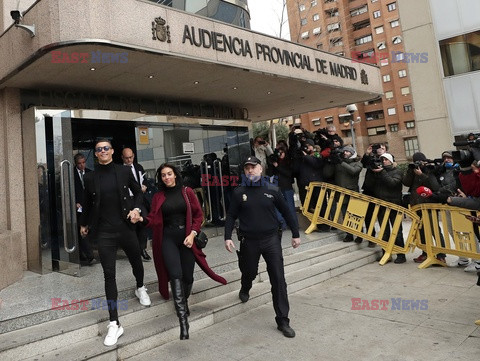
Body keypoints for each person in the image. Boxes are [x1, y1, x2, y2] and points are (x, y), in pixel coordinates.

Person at [134, 163, 227, 340]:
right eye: (163, 175)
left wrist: (192, 234)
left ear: (175, 175)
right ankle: (183, 320)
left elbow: (199, 215)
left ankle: (183, 302)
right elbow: (153, 219)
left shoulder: (187, 192)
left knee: (188, 277)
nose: (167, 177)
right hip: (167, 239)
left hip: (187, 238)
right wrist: (141, 219)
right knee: (175, 274)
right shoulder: (158, 196)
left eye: (169, 174)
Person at [80, 139, 151, 347]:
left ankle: (140, 286)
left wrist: (136, 209)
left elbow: (138, 192)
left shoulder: (122, 171)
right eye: (98, 149)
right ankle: (114, 323)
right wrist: (84, 223)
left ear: (112, 151)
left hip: (125, 227)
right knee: (108, 274)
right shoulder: (90, 177)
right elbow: (86, 202)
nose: (102, 151)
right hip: (104, 232)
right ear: (96, 154)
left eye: (106, 148)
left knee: (137, 262)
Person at [224, 156, 301, 338]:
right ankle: (245, 286)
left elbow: (286, 211)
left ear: (261, 169)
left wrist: (296, 234)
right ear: (244, 172)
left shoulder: (272, 189)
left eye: (254, 167)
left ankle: (283, 320)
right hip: (249, 241)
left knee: (278, 279)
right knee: (249, 271)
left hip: (271, 240)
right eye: (247, 168)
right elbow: (231, 216)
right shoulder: (238, 192)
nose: (250, 170)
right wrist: (227, 237)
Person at [402, 152, 446, 263]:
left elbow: (435, 186)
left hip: (429, 205)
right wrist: (411, 170)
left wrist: (422, 174)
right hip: (416, 205)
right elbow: (406, 183)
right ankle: (425, 253)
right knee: (421, 231)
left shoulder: (430, 169)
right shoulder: (413, 171)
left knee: (434, 229)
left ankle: (441, 255)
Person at [370, 153, 406, 263]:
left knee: (397, 231)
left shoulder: (397, 171)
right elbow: (370, 185)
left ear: (391, 161)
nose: (384, 161)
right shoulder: (380, 172)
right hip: (381, 205)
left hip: (394, 204)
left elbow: (393, 183)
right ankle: (386, 253)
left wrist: (382, 172)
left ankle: (401, 254)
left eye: (386, 159)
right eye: (382, 160)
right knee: (384, 231)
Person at [121, 147, 151, 261]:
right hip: (127, 200)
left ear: (133, 156)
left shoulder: (138, 167)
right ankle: (134, 250)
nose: (129, 160)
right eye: (126, 158)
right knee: (130, 226)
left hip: (139, 199)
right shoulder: (120, 170)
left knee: (143, 222)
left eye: (131, 157)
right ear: (122, 158)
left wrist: (144, 186)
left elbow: (145, 180)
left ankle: (142, 249)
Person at [73, 153, 95, 265]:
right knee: (82, 230)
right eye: (79, 164)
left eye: (83, 163)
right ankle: (90, 255)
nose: (82, 166)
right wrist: (75, 202)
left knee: (89, 229)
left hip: (89, 206)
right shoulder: (71, 174)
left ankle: (85, 253)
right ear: (75, 164)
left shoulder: (90, 173)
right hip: (78, 207)